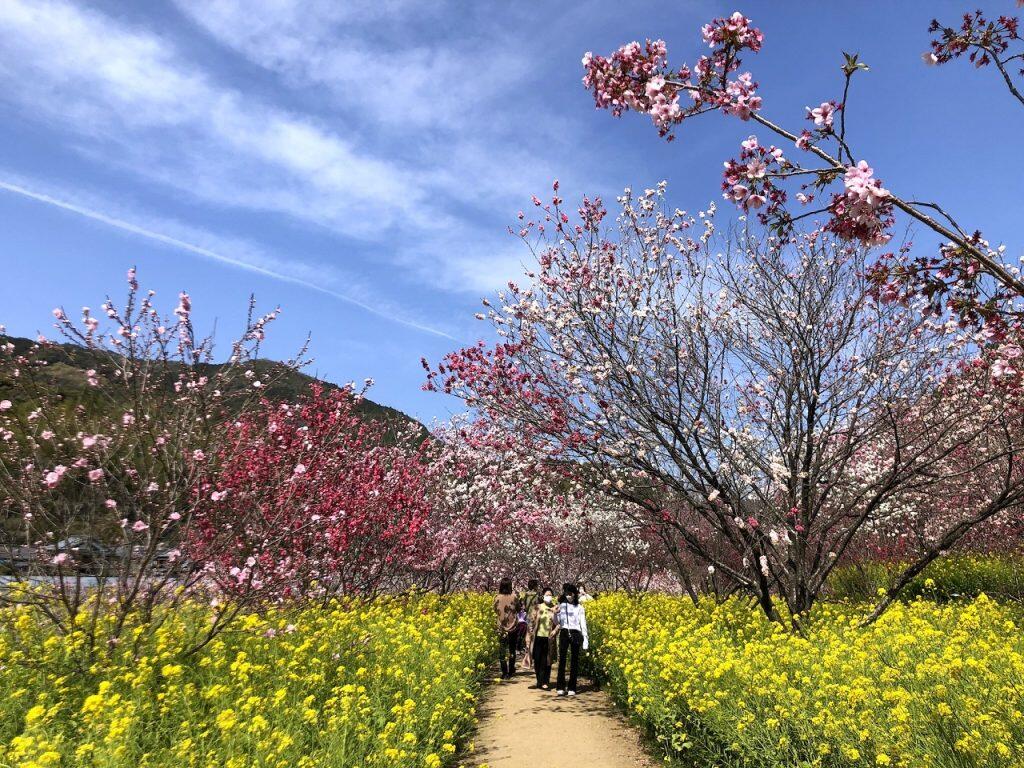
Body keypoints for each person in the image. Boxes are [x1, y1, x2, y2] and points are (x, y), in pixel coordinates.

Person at [554, 582, 588, 696]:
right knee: (562, 660)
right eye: (567, 594)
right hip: (564, 632)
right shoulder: (561, 606)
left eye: (571, 594)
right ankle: (560, 686)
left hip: (576, 633)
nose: (569, 596)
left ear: (575, 594)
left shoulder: (580, 607)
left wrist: (585, 639)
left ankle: (572, 687)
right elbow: (557, 622)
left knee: (574, 661)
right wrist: (555, 614)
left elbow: (583, 624)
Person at [527, 586, 556, 689]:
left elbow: (559, 623)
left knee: (547, 660)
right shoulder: (538, 607)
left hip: (549, 638)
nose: (549, 597)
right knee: (537, 659)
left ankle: (545, 682)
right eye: (547, 595)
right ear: (543, 596)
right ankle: (539, 680)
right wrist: (529, 634)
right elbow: (531, 621)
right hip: (537, 637)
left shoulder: (555, 608)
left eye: (550, 595)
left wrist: (555, 630)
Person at [493, 577, 520, 679]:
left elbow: (495, 609)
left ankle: (504, 672)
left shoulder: (497, 597)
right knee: (512, 649)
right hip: (513, 626)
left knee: (502, 650)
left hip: (501, 627)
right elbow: (518, 609)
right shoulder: (514, 597)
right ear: (510, 586)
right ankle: (511, 669)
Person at [520, 578, 539, 665]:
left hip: (528, 616)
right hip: (535, 617)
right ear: (535, 586)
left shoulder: (526, 595)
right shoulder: (537, 595)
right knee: (534, 636)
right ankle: (531, 657)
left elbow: (524, 607)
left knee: (528, 636)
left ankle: (528, 655)